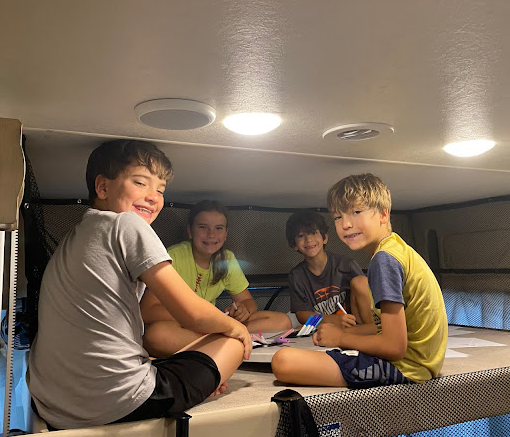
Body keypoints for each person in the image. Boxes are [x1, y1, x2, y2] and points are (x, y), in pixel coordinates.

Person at [27, 140, 251, 430]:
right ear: (103, 187)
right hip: (116, 400)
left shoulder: (73, 238)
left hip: (52, 402)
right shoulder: (127, 225)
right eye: (140, 183)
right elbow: (191, 314)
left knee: (192, 351)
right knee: (233, 343)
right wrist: (238, 329)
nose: (153, 197)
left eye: (160, 190)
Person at [272, 173, 447, 388]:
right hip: (425, 363)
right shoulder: (397, 249)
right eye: (338, 217)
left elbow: (394, 347)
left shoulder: (384, 260)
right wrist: (338, 331)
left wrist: (340, 339)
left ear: (383, 214)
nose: (346, 224)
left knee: (283, 361)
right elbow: (381, 329)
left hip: (406, 368)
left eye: (356, 212)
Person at [141, 200, 292, 357]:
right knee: (156, 335)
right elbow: (147, 311)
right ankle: (229, 346)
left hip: (216, 327)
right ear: (190, 231)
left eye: (218, 228)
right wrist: (196, 318)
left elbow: (248, 302)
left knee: (282, 321)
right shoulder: (173, 257)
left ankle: (222, 345)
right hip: (185, 326)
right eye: (203, 227)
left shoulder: (227, 259)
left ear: (225, 234)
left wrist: (242, 310)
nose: (211, 234)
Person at [285, 210, 378, 332]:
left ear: (325, 238)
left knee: (360, 281)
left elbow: (367, 293)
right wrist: (332, 320)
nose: (308, 239)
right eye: (301, 236)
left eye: (313, 233)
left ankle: (371, 329)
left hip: (355, 323)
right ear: (294, 245)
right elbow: (302, 315)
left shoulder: (346, 265)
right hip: (324, 328)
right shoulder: (297, 276)